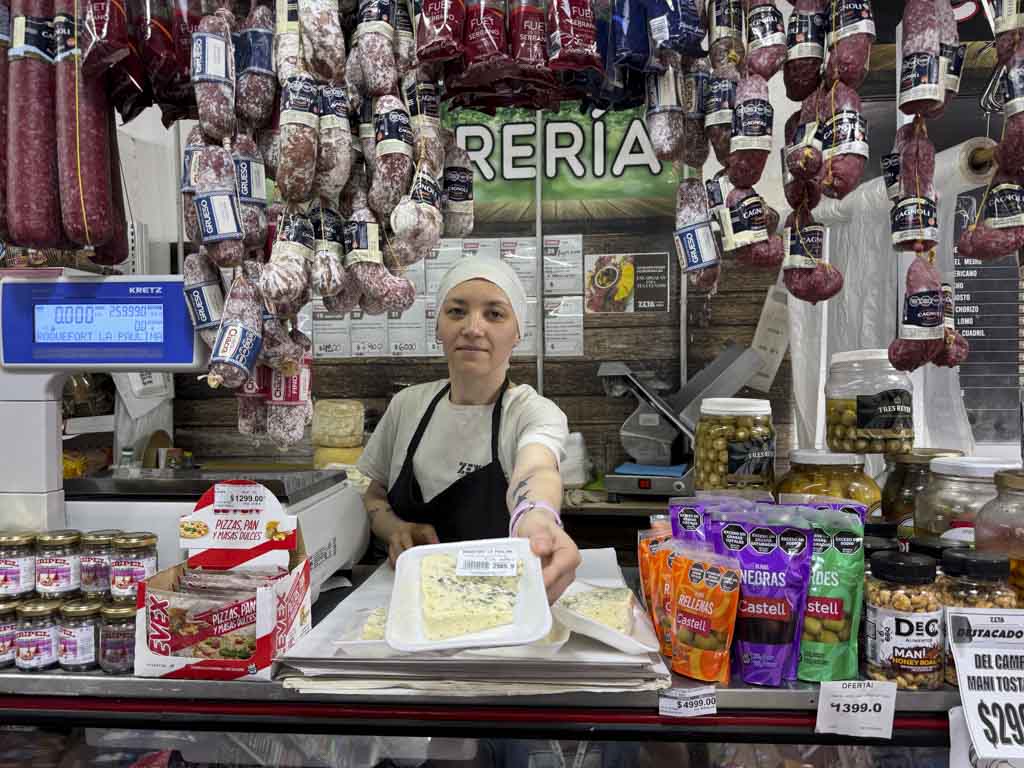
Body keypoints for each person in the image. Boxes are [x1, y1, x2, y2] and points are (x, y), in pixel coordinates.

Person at [357, 256, 581, 602]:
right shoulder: (407, 406)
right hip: (405, 601)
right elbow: (374, 493)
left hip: (497, 603)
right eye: (457, 311)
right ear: (438, 327)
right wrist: (395, 529)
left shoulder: (531, 412)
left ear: (518, 331)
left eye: (494, 314)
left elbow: (536, 470)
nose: (473, 328)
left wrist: (536, 518)